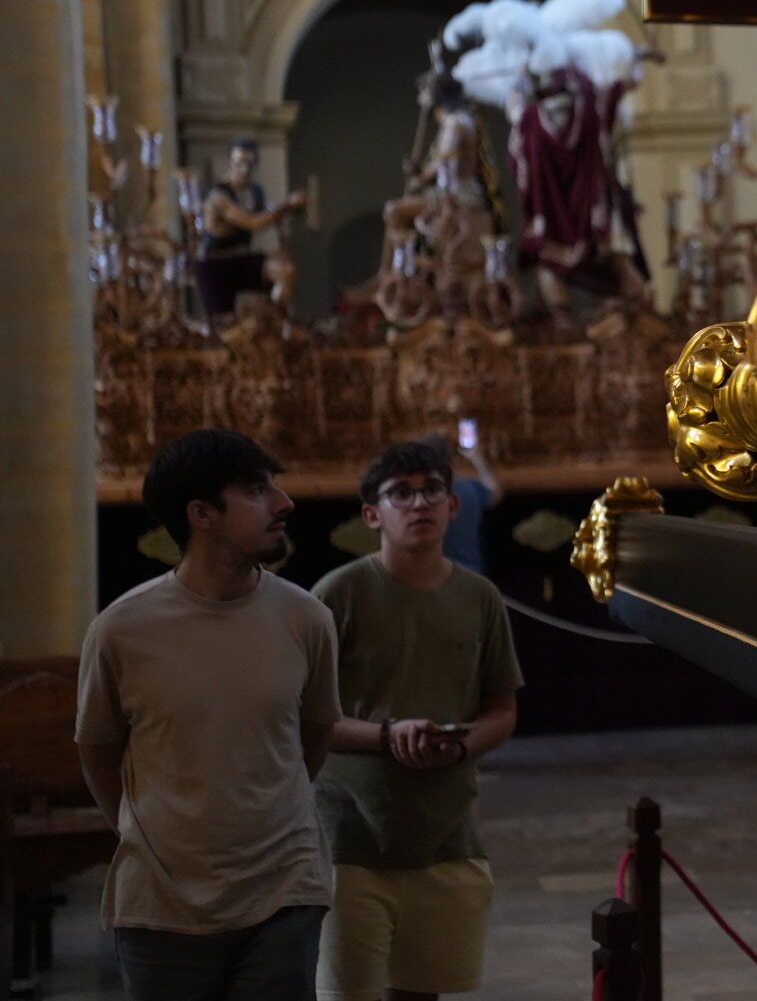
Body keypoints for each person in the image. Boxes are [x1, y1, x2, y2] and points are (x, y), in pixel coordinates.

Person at [75, 428, 340, 1001]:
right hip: (162, 898)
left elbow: (314, 735)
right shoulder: (122, 629)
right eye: (256, 490)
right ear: (202, 514)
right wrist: (138, 826)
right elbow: (97, 749)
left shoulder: (306, 618)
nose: (284, 503)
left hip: (284, 887)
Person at [311, 440, 522, 1001]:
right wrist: (387, 736)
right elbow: (306, 717)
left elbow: (502, 709)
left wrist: (461, 745)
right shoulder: (338, 595)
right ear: (372, 515)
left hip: (445, 831)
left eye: (431, 489)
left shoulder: (479, 597)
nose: (418, 503)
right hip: (349, 837)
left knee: (422, 993)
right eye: (400, 493)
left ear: (454, 505)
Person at [197, 138, 306, 316]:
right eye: (239, 163)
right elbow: (251, 222)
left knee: (286, 273)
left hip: (242, 257)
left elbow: (269, 215)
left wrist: (286, 222)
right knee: (223, 325)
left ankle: (272, 321)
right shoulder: (219, 195)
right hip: (216, 262)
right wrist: (288, 205)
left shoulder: (255, 192)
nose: (244, 169)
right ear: (231, 162)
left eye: (249, 163)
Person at [425, 433, 503, 575]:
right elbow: (495, 494)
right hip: (470, 573)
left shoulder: (418, 494)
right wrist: (477, 460)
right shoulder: (469, 488)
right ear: (451, 459)